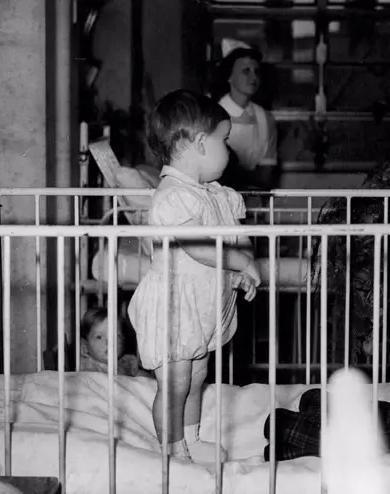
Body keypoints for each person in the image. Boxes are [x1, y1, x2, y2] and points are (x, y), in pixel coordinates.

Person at [127, 89, 261, 462]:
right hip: (174, 306)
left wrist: (242, 269)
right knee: (175, 383)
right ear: (201, 144)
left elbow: (234, 240)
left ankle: (190, 438)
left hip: (200, 307)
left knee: (197, 377)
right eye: (224, 141)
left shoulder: (215, 195)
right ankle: (171, 450)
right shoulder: (173, 196)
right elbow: (197, 246)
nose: (228, 151)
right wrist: (239, 261)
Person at [214, 38, 279, 191]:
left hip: (254, 201)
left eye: (256, 71)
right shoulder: (212, 115)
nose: (254, 77)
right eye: (246, 71)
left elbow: (266, 175)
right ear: (229, 76)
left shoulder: (266, 119)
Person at [79, 307, 151, 378]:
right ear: (84, 346)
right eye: (99, 337)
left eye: (115, 336)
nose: (109, 342)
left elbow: (146, 381)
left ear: (123, 342)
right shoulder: (87, 366)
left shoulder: (125, 365)